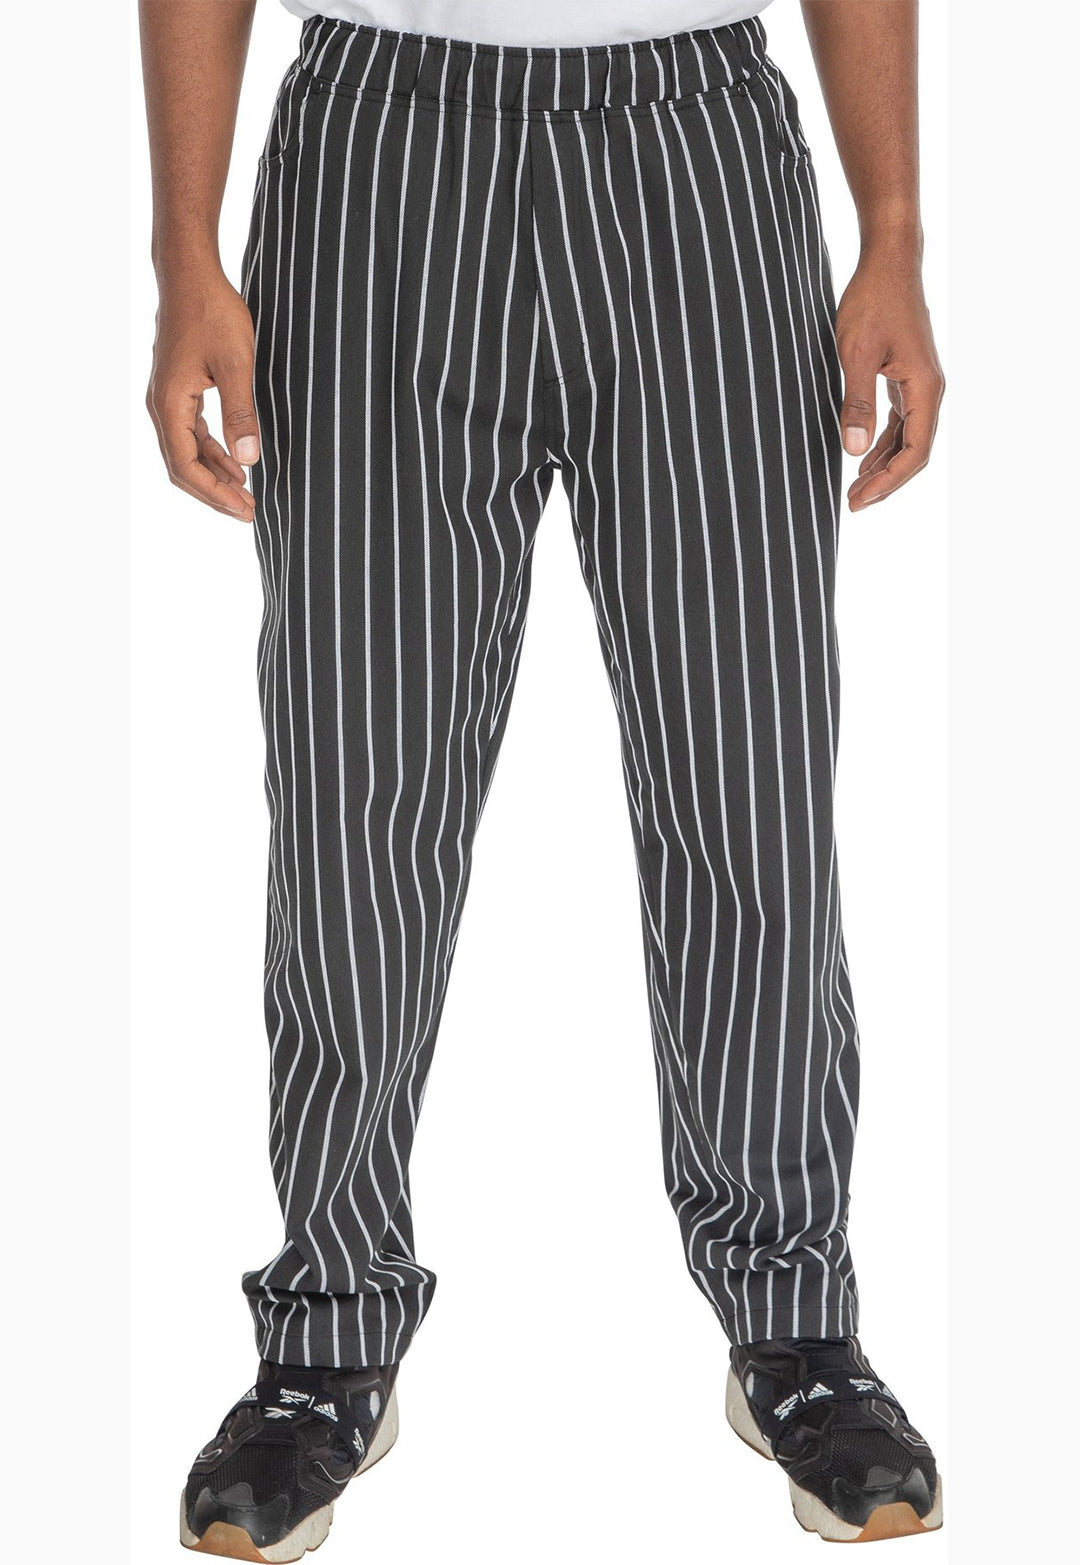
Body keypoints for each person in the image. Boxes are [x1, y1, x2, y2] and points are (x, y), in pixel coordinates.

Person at [140, 0, 944, 1555]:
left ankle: (793, 1316)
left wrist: (893, 228)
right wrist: (186, 255)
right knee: (359, 788)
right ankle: (330, 1326)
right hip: (380, 153)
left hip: (696, 154)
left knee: (749, 779)